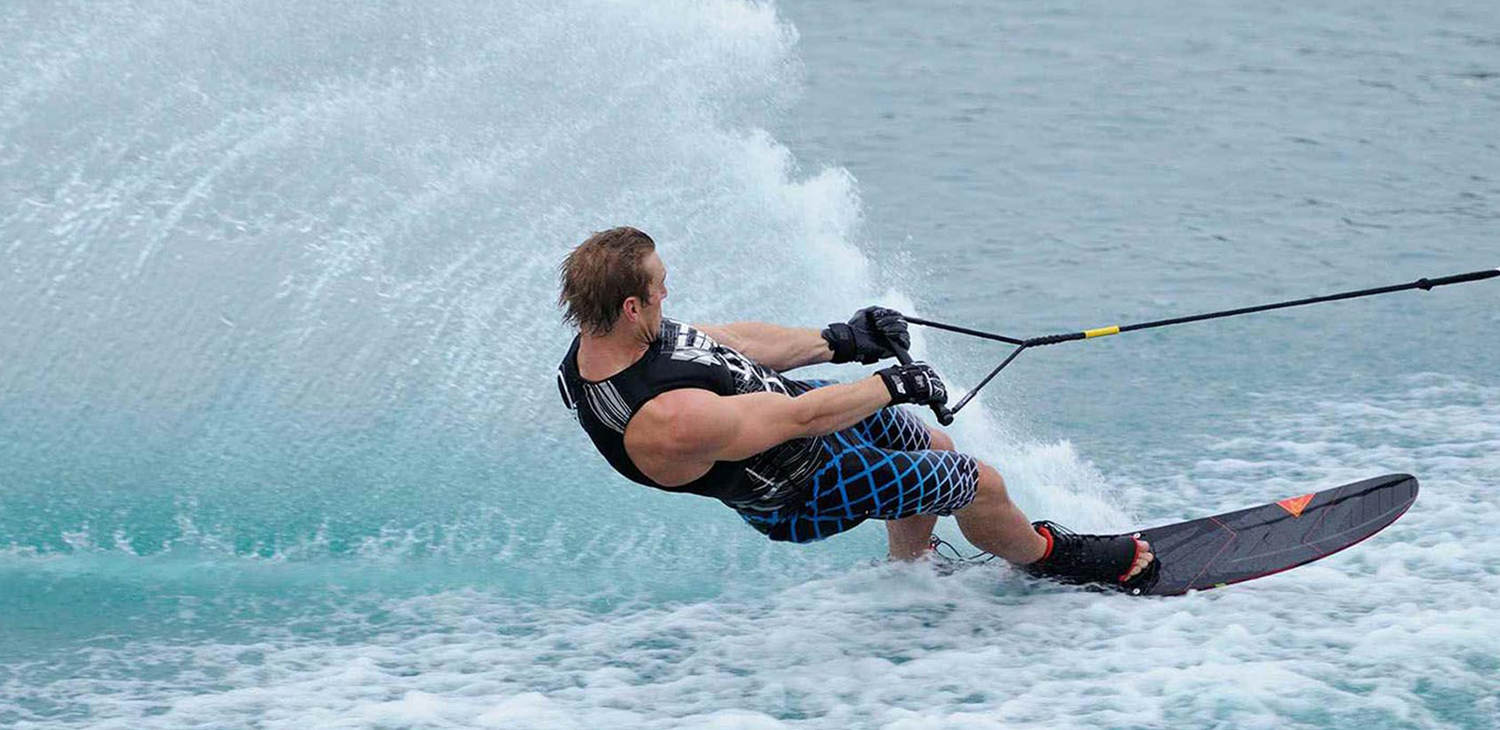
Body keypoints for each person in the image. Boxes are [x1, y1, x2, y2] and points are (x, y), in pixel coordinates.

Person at [555, 227, 1155, 589]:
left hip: (802, 422)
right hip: (802, 488)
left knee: (936, 449)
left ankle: (912, 576)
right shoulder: (663, 422)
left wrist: (844, 340)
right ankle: (1051, 559)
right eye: (660, 284)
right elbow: (798, 421)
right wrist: (893, 384)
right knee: (980, 484)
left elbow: (733, 345)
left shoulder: (619, 331)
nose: (669, 292)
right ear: (632, 305)